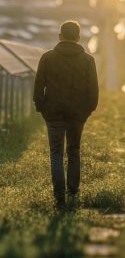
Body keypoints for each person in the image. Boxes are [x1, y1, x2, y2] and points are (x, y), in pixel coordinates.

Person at [33, 20, 99, 208]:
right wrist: (87, 111)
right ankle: (73, 190)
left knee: (55, 152)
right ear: (78, 38)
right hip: (77, 114)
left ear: (60, 36)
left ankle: (59, 194)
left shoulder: (47, 58)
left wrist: (42, 108)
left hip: (53, 113)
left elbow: (38, 89)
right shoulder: (88, 60)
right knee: (74, 151)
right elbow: (93, 92)